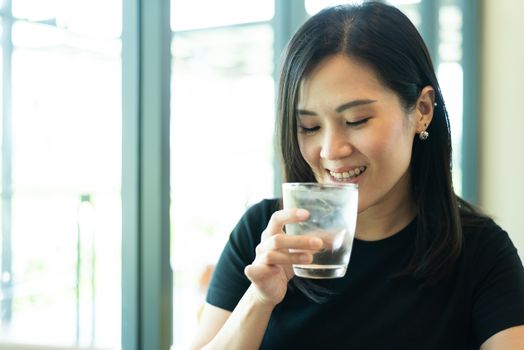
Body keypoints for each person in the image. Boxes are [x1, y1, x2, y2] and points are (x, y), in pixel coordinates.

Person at [190, 2, 524, 349]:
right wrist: (259, 299)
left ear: (422, 110)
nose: (331, 149)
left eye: (356, 121)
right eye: (309, 126)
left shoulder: (480, 252)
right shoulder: (262, 234)